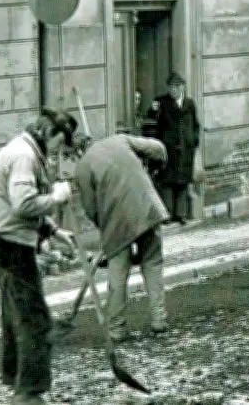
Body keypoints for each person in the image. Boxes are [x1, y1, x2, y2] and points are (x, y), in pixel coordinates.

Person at [0, 108, 77, 405]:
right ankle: (28, 393)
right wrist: (57, 198)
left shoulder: (25, 149)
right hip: (10, 245)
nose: (57, 152)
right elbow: (23, 205)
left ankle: (16, 378)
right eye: (59, 145)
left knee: (15, 315)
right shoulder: (24, 155)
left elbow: (19, 206)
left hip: (4, 240)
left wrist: (53, 231)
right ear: (48, 134)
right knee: (34, 317)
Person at [72, 132, 171, 341]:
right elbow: (158, 148)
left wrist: (105, 228)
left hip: (117, 223)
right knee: (152, 264)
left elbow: (91, 209)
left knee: (118, 273)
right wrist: (157, 166)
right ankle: (159, 320)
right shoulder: (120, 140)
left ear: (77, 151)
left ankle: (117, 329)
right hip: (147, 209)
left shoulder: (82, 168)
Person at [147, 72, 201, 225]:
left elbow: (196, 124)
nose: (173, 90)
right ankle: (168, 214)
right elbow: (151, 118)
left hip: (185, 149)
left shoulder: (189, 104)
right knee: (167, 181)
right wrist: (152, 109)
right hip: (168, 149)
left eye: (176, 87)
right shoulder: (162, 102)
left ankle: (181, 214)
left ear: (182, 87)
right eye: (171, 87)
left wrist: (194, 140)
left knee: (183, 182)